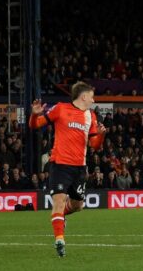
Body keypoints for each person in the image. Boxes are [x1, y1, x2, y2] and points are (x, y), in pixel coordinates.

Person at [29, 81, 107, 258]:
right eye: (92, 96)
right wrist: (34, 116)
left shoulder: (91, 116)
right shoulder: (60, 109)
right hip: (60, 164)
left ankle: (59, 216)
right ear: (84, 96)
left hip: (80, 168)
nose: (94, 99)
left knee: (78, 205)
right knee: (58, 201)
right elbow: (35, 125)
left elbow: (94, 145)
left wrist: (101, 135)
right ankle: (59, 240)